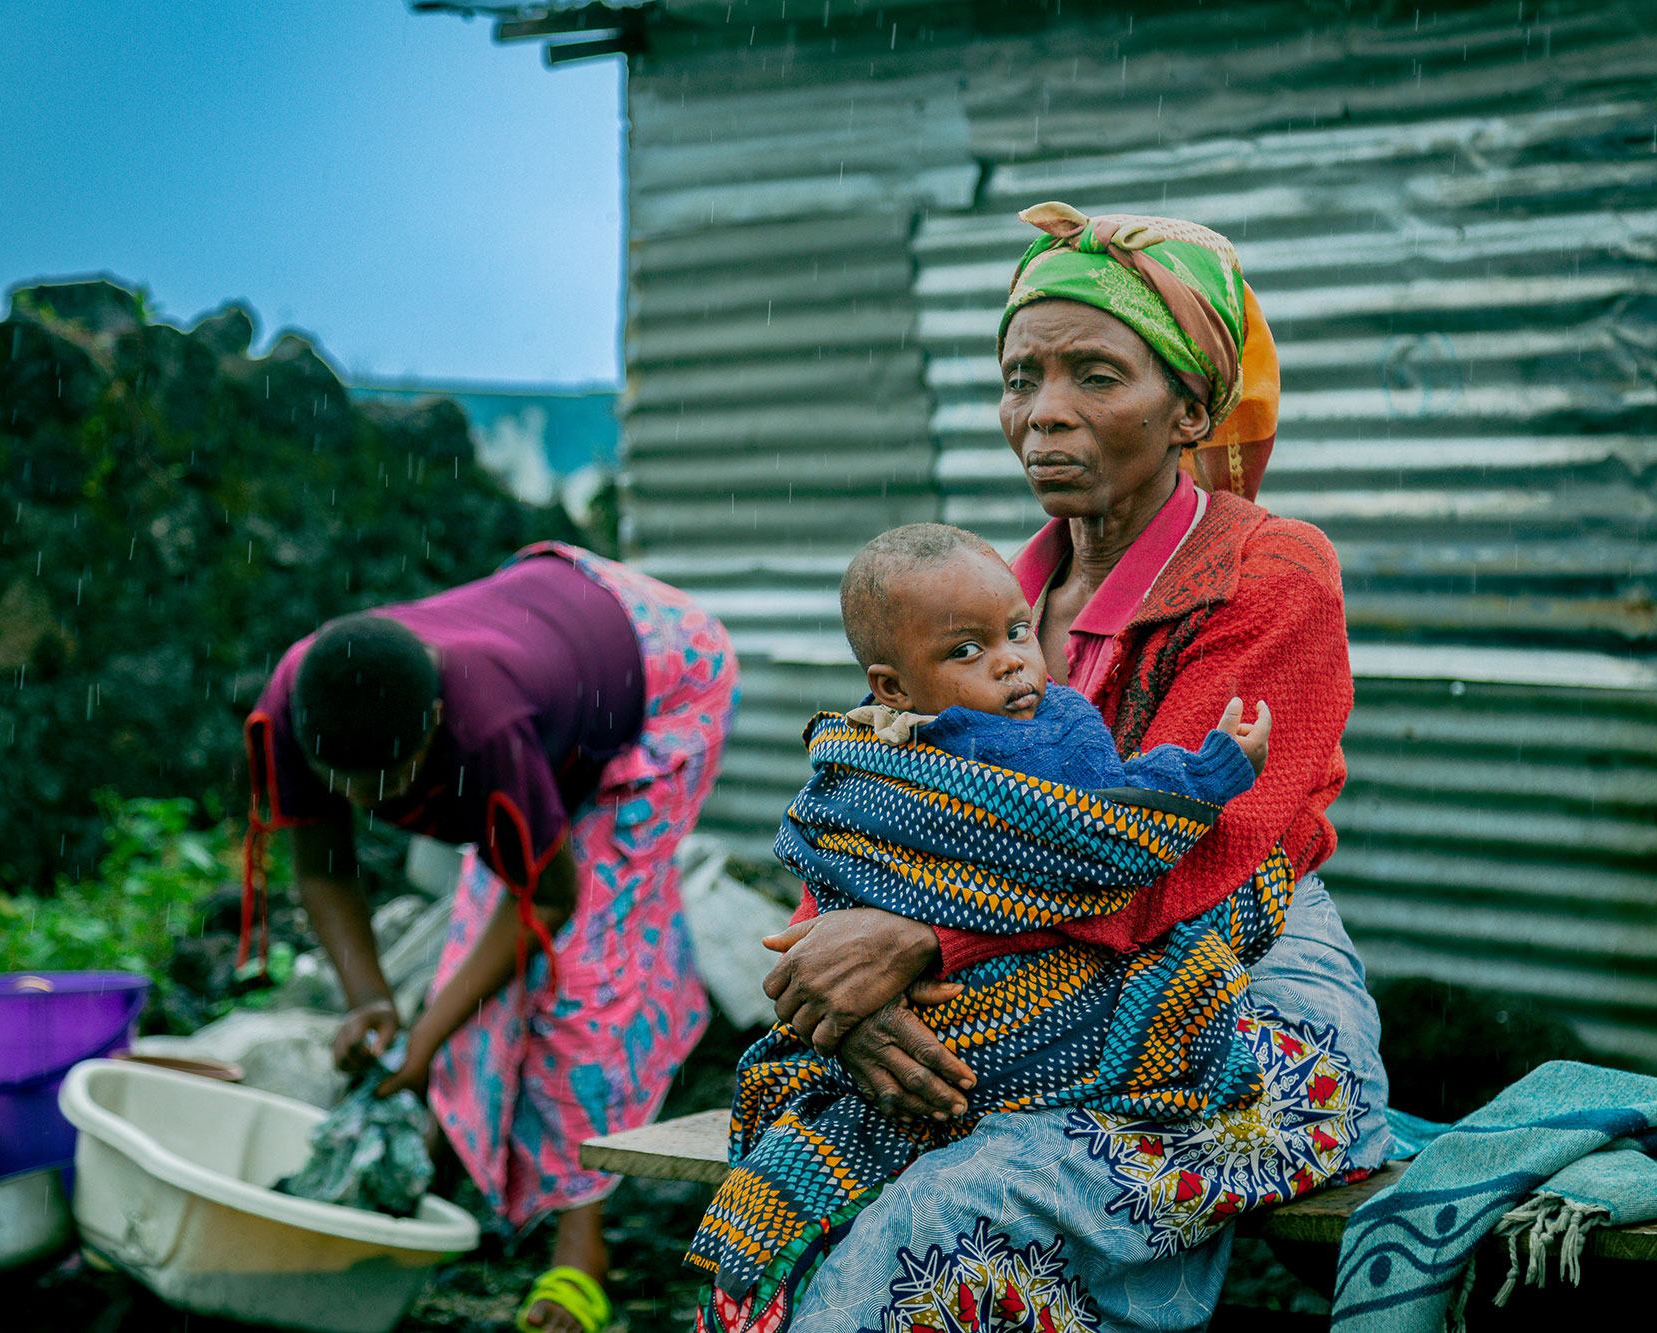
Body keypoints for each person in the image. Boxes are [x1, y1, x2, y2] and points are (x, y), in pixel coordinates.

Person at [706, 205, 1391, 1333]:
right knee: (788, 1195)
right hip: (996, 1007)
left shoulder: (1268, 574)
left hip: (1235, 999)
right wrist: (850, 1004)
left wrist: (927, 942)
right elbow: (879, 820)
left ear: (1187, 407)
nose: (1042, 411)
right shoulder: (980, 607)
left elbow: (1198, 844)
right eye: (1021, 374)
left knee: (940, 1231)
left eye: (1094, 373)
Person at [689, 522, 1281, 1311]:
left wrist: (916, 940)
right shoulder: (1026, 743)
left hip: (939, 999)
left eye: (1015, 633)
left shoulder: (861, 749)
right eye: (966, 651)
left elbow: (824, 844)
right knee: (1185, 981)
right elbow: (1104, 839)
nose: (1009, 660)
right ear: (892, 687)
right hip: (992, 1017)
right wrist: (1210, 772)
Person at [242, 541, 736, 1333]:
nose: (367, 799)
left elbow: (549, 897)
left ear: (432, 722)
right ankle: (446, 1150)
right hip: (550, 640)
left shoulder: (485, 726)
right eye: (349, 782)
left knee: (585, 975)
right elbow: (325, 869)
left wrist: (428, 1033)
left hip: (662, 671)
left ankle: (581, 1247)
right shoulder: (305, 706)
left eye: (389, 779)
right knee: (480, 948)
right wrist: (371, 1001)